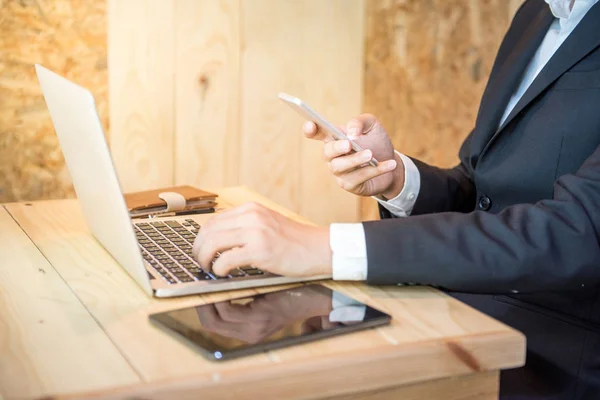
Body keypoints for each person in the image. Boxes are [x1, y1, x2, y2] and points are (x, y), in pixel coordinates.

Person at [192, 0, 600, 398]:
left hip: (555, 362)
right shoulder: (535, 14)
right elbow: (481, 192)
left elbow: (578, 233)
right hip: (455, 314)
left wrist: (322, 245)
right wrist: (396, 178)